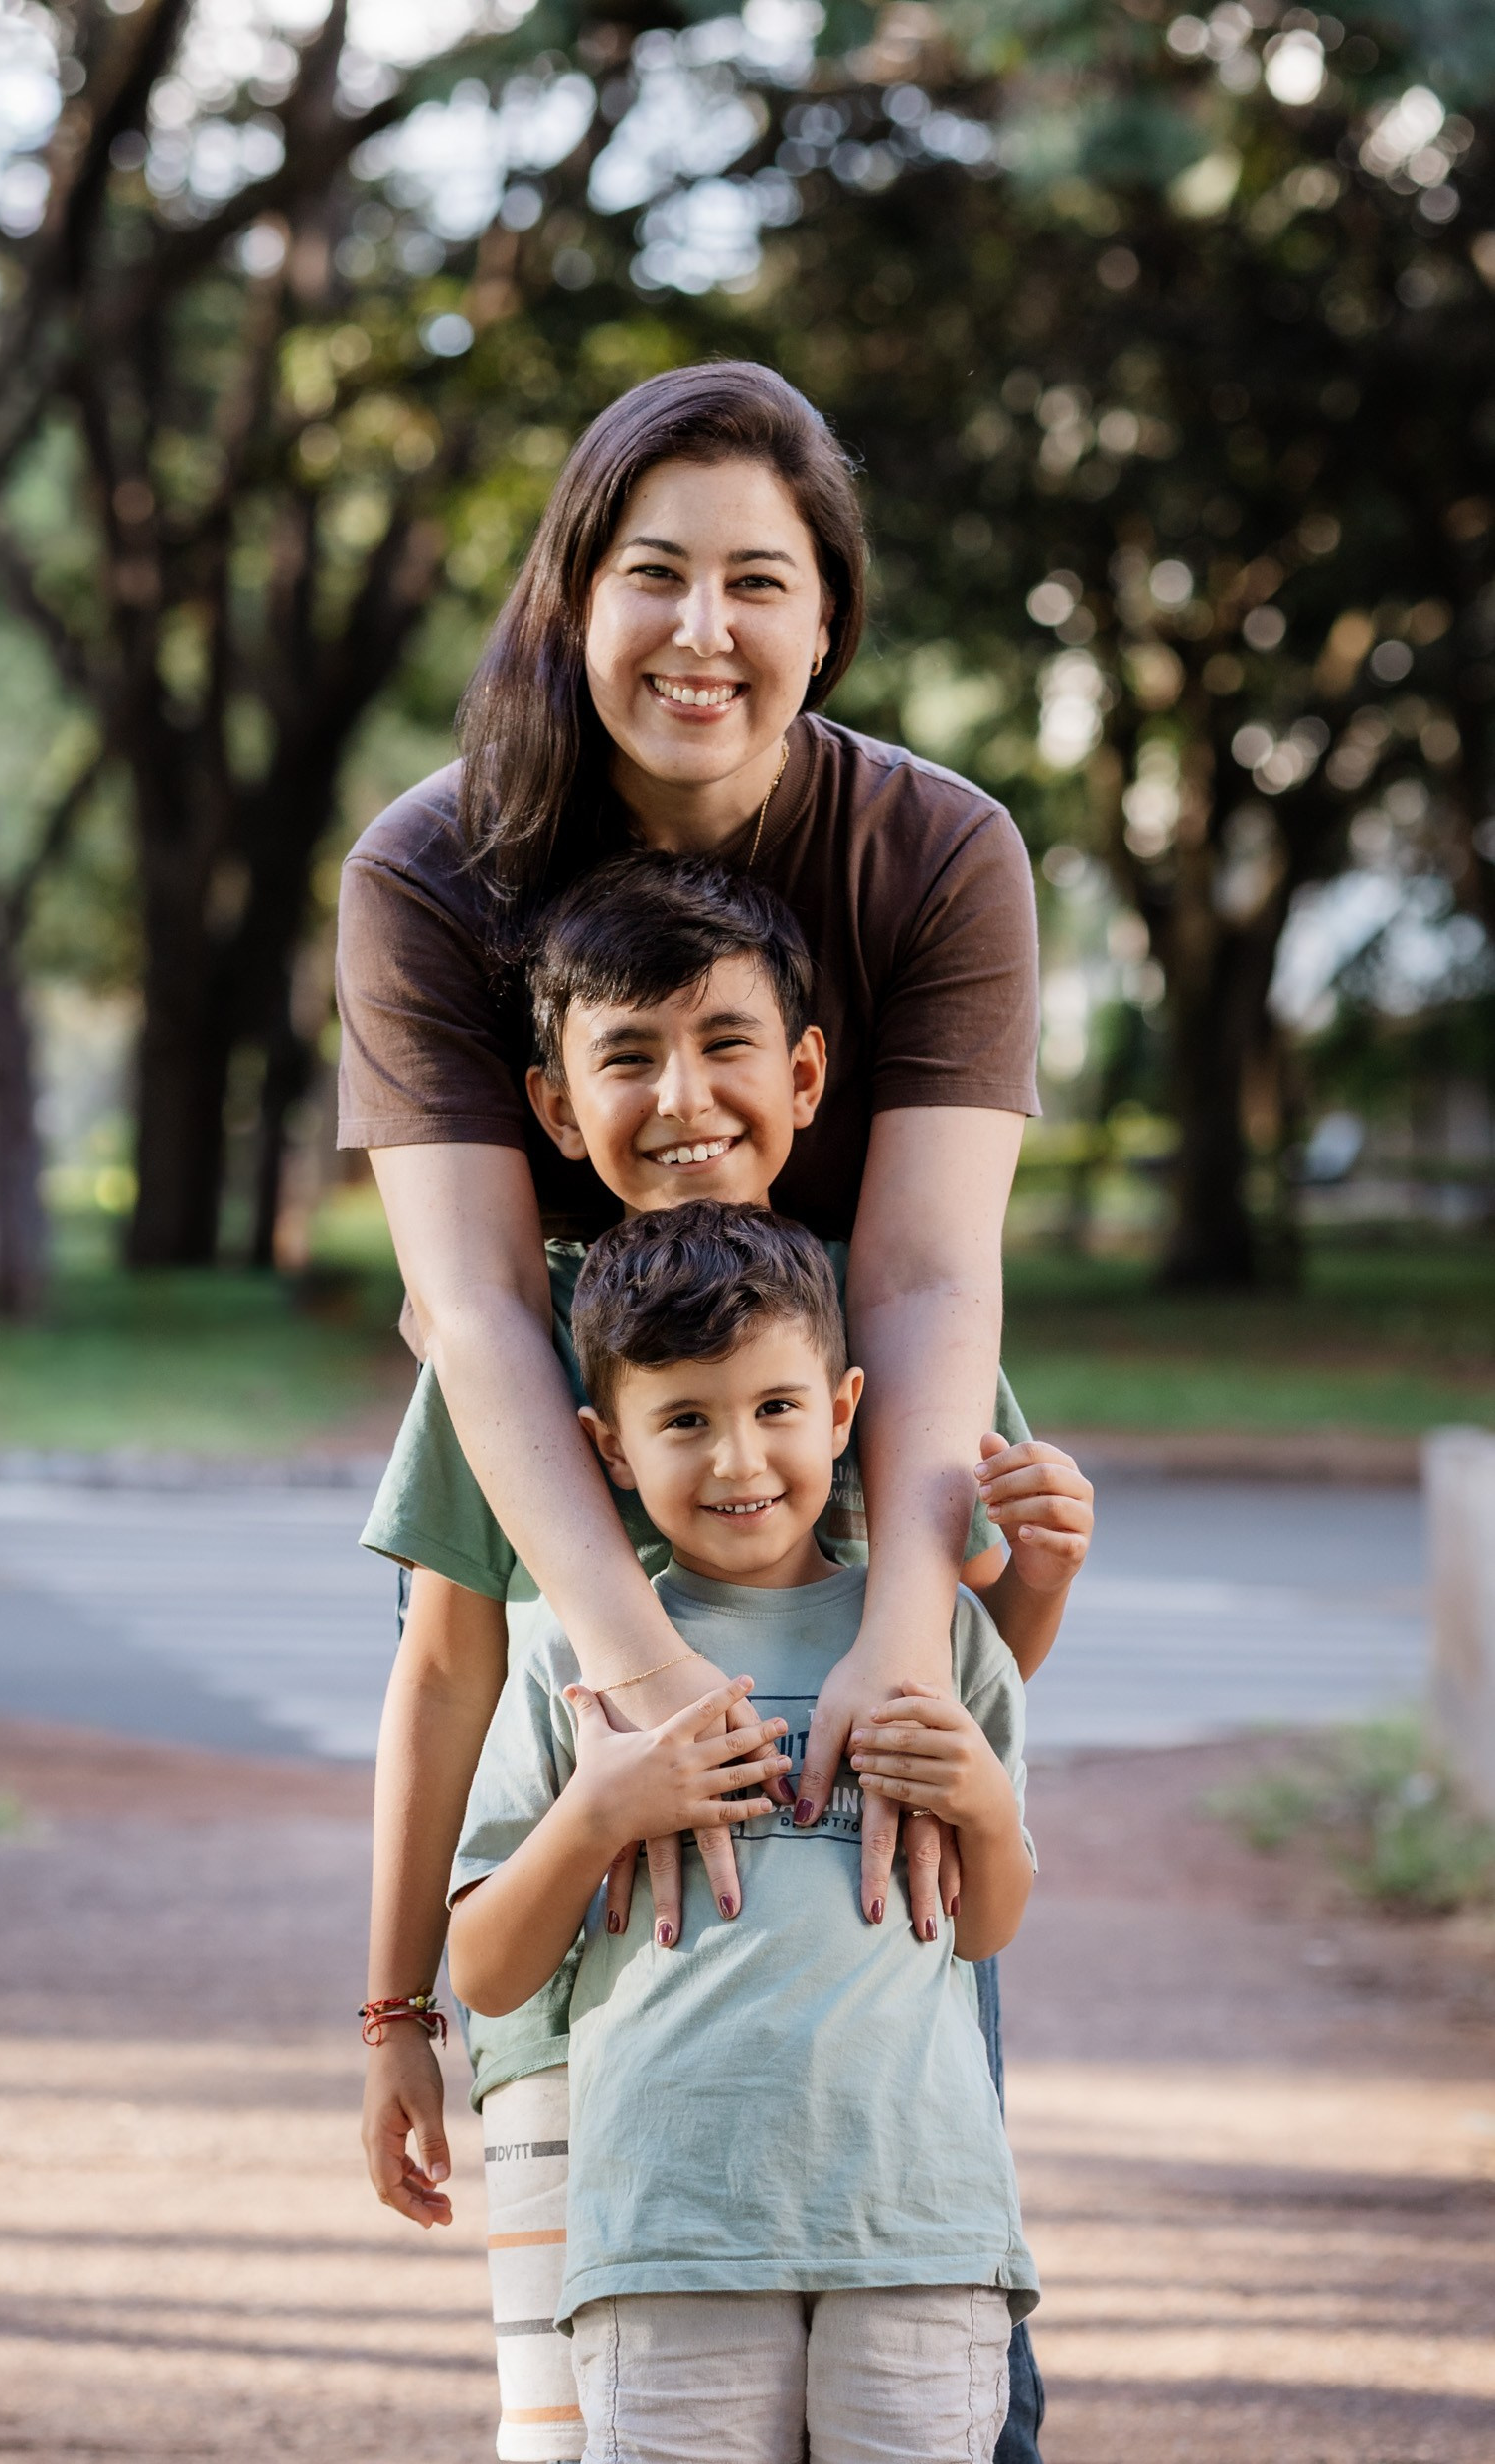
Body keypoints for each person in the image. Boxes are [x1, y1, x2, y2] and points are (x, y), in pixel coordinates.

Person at [338, 359, 1049, 2452]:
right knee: (594, 2287)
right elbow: (466, 1303)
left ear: (825, 616)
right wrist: (636, 1672)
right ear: (574, 596)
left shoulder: (932, 848)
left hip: (856, 1461)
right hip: (559, 1467)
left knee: (893, 2042)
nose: (701, 632)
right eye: (653, 573)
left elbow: (923, 1276)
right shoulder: (433, 865)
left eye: (759, 580)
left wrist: (918, 1640)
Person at [449, 1203, 1038, 2464]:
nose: (737, 1459)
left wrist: (983, 1802)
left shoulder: (933, 1640)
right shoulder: (574, 1659)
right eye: (684, 1419)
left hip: (918, 2233)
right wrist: (599, 1809)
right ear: (606, 1447)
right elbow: (488, 1969)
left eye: (776, 1406)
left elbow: (982, 1925)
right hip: (668, 2238)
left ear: (844, 1409)